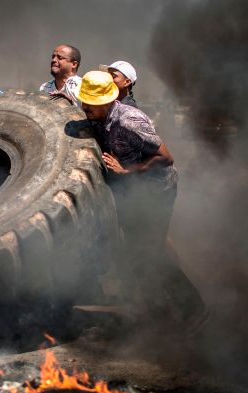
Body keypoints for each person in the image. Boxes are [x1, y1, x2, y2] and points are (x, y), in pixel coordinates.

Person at [78, 70, 207, 334]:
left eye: (89, 102)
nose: (84, 106)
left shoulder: (129, 121)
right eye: (83, 100)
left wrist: (128, 170)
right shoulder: (98, 118)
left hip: (155, 190)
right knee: (138, 252)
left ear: (106, 101)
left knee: (151, 252)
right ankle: (157, 309)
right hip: (133, 193)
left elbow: (166, 157)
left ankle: (195, 310)